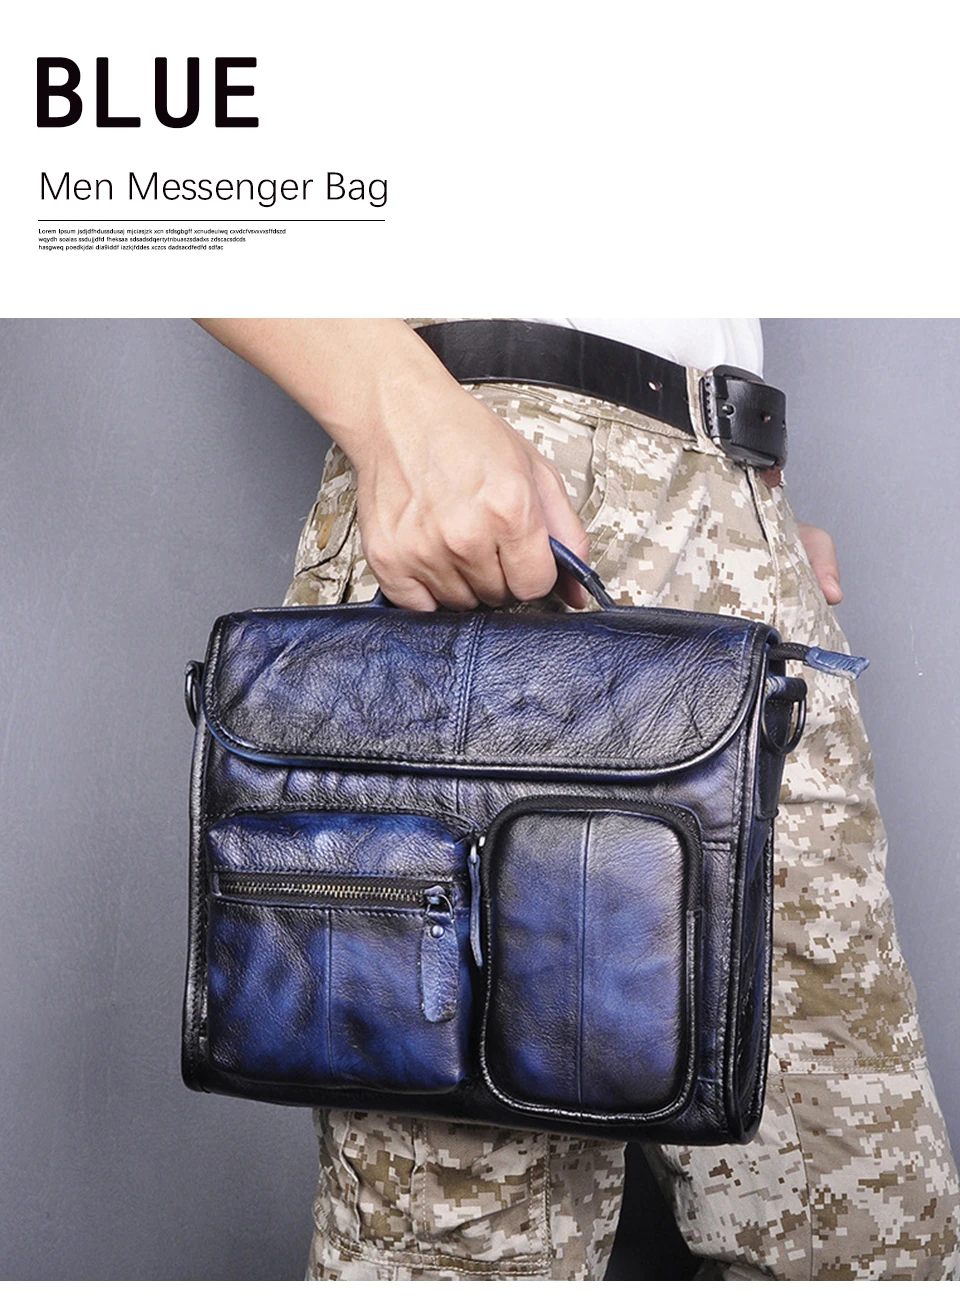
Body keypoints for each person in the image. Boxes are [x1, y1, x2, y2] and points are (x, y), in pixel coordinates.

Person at [196, 317, 960, 1281]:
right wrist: (399, 412)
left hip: (727, 505)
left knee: (863, 1229)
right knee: (469, 1248)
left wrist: (735, 515)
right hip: (496, 482)